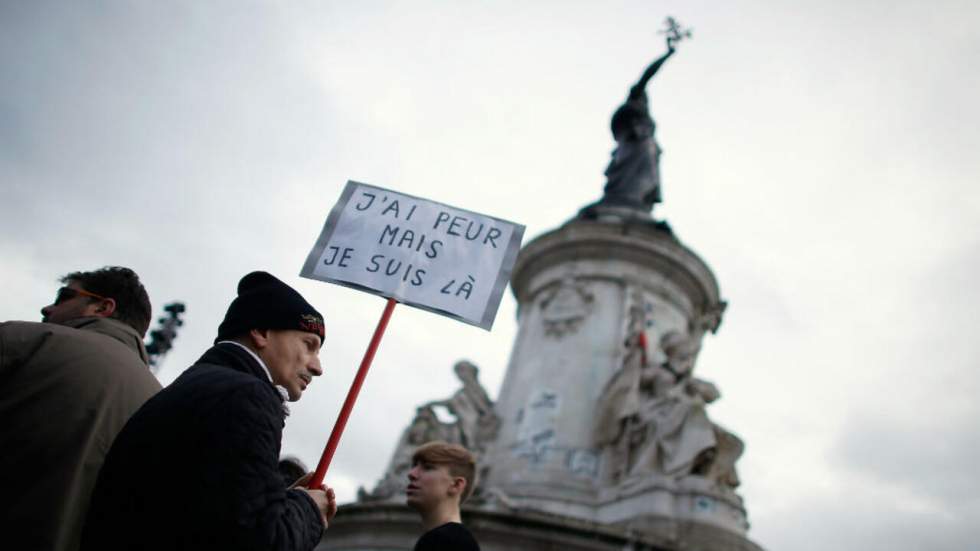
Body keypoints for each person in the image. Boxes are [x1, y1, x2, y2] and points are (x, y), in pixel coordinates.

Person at [81, 271, 337, 551]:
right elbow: (258, 539)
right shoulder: (246, 397)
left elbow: (207, 516)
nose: (317, 367)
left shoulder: (204, 386)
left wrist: (279, 501)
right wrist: (308, 510)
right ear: (261, 332)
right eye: (308, 346)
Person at [0, 266, 161, 551]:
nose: (48, 308)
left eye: (64, 296)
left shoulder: (25, 341)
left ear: (102, 306)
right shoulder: (163, 406)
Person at [406, 441, 481, 551]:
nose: (411, 474)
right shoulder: (452, 539)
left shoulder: (445, 541)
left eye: (428, 467)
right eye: (414, 466)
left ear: (456, 484)